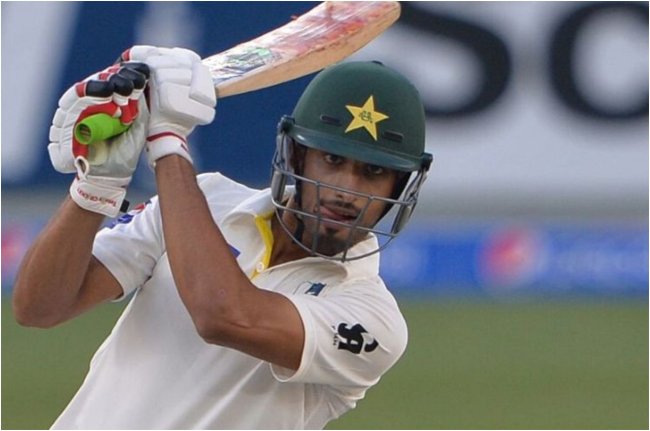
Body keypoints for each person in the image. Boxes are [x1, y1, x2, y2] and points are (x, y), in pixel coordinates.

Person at [13, 45, 432, 429]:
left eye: (374, 172)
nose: (347, 190)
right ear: (297, 155)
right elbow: (38, 307)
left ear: (399, 187)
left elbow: (224, 316)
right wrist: (95, 188)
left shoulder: (372, 320)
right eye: (332, 160)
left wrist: (166, 141)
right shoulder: (208, 199)